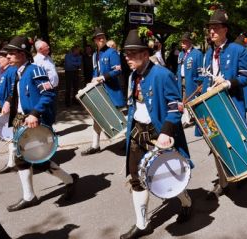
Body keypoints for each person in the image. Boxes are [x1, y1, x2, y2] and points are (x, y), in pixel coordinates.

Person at [120, 28, 192, 239]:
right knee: (136, 178)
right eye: (126, 54)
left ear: (145, 54)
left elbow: (175, 106)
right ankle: (142, 225)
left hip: (158, 134)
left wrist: (166, 132)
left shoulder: (163, 74)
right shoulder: (134, 75)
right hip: (136, 133)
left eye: (132, 54)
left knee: (167, 178)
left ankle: (186, 201)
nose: (127, 58)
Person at [3, 36, 78, 212]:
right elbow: (17, 94)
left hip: (35, 121)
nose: (7, 57)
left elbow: (49, 94)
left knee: (40, 160)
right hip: (21, 120)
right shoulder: (17, 72)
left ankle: (70, 181)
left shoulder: (35, 71)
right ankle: (29, 196)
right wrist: (8, 101)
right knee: (22, 158)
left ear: (22, 54)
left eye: (11, 54)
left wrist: (35, 113)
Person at [203, 9, 247, 199]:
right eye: (210, 29)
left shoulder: (237, 50)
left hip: (231, 103)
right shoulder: (208, 53)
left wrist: (228, 83)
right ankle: (222, 183)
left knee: (235, 140)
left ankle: (240, 172)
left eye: (215, 28)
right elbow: (205, 77)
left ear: (225, 30)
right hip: (212, 105)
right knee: (215, 143)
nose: (212, 32)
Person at [81, 28, 126, 156]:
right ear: (95, 40)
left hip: (112, 90)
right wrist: (92, 81)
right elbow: (96, 71)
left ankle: (131, 141)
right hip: (99, 90)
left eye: (103, 37)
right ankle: (95, 145)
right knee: (96, 117)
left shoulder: (112, 52)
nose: (102, 39)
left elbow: (118, 70)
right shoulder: (96, 54)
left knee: (119, 118)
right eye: (99, 38)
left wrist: (103, 77)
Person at [0, 48, 18, 175]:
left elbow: (14, 90)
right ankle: (12, 162)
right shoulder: (4, 71)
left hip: (12, 109)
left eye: (0, 57)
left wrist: (9, 103)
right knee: (11, 137)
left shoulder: (12, 71)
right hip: (5, 107)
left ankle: (14, 163)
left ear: (7, 59)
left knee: (13, 137)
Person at [176, 32, 203, 130]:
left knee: (194, 101)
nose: (182, 44)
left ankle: (198, 120)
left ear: (190, 42)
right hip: (182, 80)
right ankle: (187, 120)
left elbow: (201, 70)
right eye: (181, 42)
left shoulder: (197, 54)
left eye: (184, 42)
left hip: (192, 81)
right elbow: (179, 68)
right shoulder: (181, 54)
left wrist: (200, 83)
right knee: (184, 100)